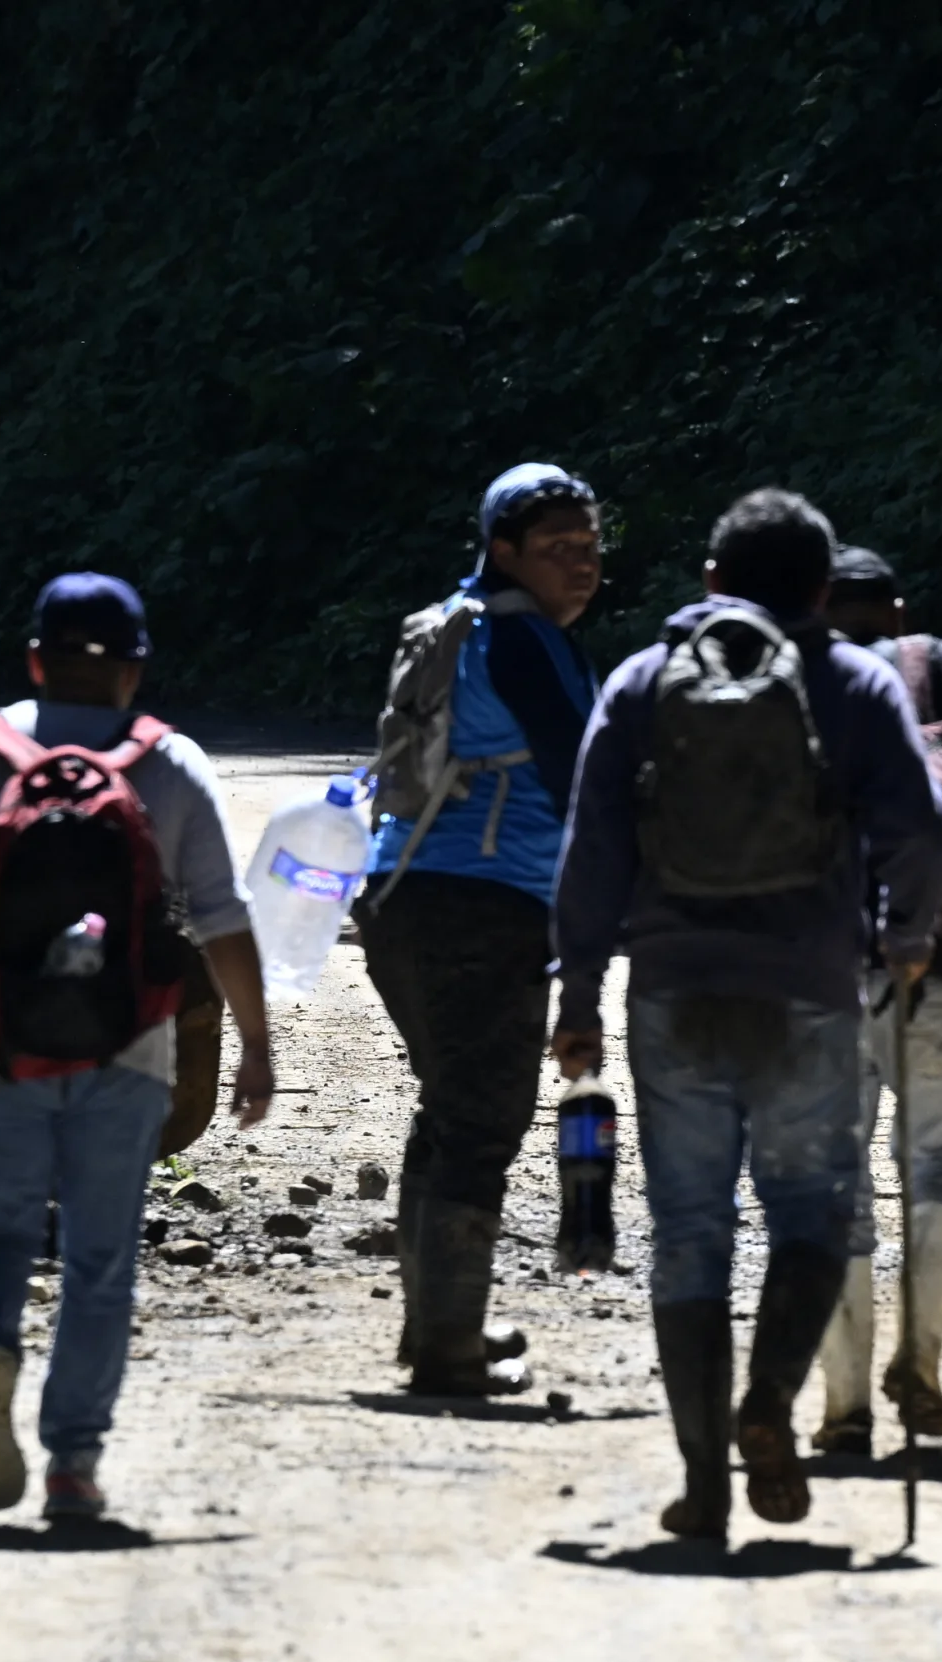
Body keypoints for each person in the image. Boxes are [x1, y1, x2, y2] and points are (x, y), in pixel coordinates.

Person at [552, 492, 942, 1542]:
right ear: (822, 589)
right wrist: (906, 936)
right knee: (811, 1212)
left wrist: (579, 995)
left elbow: (591, 853)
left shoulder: (644, 682)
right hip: (809, 991)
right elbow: (920, 834)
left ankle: (703, 1485)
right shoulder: (856, 683)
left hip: (672, 993)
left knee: (689, 1230)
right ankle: (769, 1399)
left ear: (712, 581)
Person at [0, 574, 273, 1522]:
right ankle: (73, 1462)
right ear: (135, 669)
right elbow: (222, 916)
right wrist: (254, 1042)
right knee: (99, 1258)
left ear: (36, 661)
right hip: (128, 1050)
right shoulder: (171, 763)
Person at [357, 463, 602, 1396]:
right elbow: (584, 778)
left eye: (589, 546)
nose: (581, 564)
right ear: (503, 550)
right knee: (480, 1120)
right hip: (484, 907)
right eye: (556, 548)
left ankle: (438, 1327)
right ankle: (449, 1348)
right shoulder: (523, 638)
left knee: (451, 1109)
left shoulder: (453, 624)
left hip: (401, 898)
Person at [813, 545, 942, 1457]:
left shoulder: (782, 682)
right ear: (895, 612)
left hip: (815, 970)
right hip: (941, 960)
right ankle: (919, 1359)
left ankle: (844, 1402)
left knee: (828, 1184)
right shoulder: (939, 667)